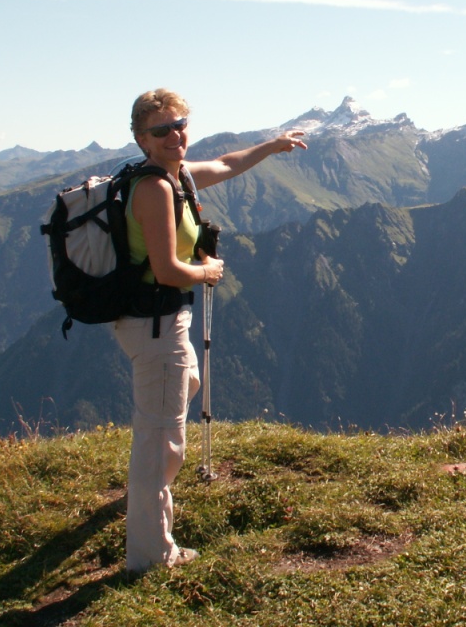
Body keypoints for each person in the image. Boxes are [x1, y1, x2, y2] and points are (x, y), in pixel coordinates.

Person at [113, 88, 306, 574]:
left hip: (161, 321)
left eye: (179, 125)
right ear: (142, 139)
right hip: (155, 323)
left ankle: (144, 498)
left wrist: (272, 145)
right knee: (161, 440)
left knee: (187, 385)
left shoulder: (176, 176)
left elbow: (224, 163)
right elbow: (166, 270)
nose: (174, 135)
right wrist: (208, 272)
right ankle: (151, 555)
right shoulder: (156, 189)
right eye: (161, 130)